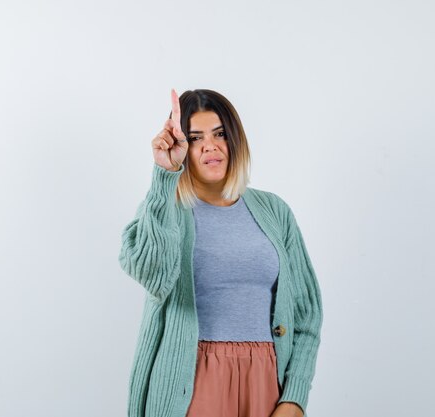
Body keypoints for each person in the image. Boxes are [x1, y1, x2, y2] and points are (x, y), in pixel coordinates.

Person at [118, 88, 323, 417]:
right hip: (191, 384)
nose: (210, 146)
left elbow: (306, 314)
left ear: (235, 140)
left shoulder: (275, 211)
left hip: (266, 383)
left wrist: (294, 397)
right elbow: (151, 274)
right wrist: (164, 175)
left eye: (220, 134)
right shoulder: (166, 210)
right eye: (195, 138)